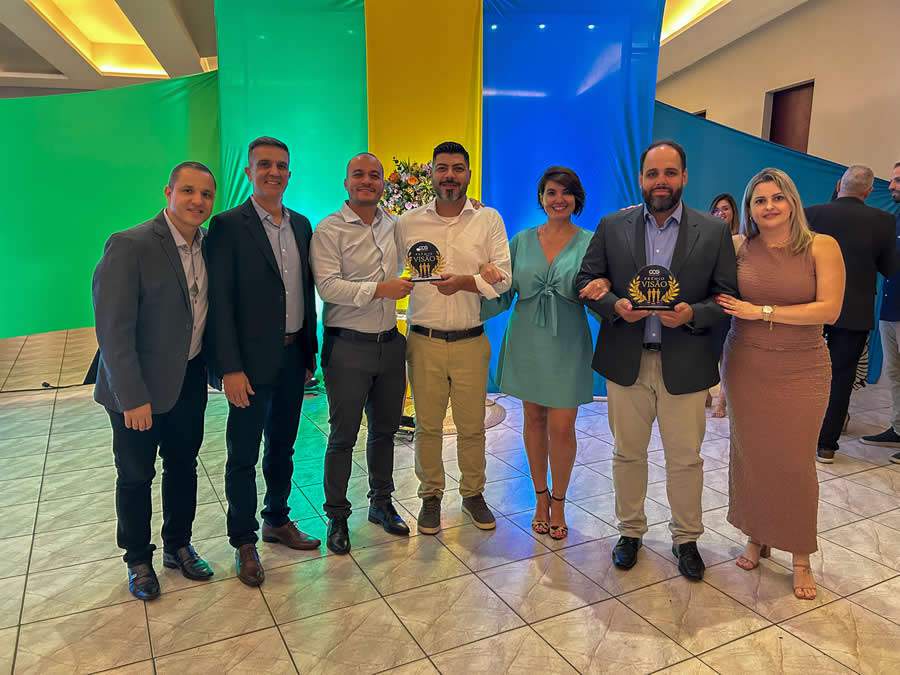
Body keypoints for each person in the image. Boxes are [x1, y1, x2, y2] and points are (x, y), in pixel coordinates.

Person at [576, 139, 737, 581]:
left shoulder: (714, 231)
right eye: (652, 174)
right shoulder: (612, 226)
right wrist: (612, 305)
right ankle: (630, 532)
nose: (660, 182)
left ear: (684, 177)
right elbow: (586, 280)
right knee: (627, 454)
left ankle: (687, 539)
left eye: (669, 173)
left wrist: (691, 314)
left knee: (685, 459)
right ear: (641, 179)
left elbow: (726, 297)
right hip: (626, 362)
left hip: (685, 362)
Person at [716, 168, 845, 600]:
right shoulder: (739, 246)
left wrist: (762, 312)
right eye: (759, 200)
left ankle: (800, 553)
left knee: (793, 462)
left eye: (777, 198)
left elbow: (829, 309)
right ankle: (756, 535)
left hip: (801, 368)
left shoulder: (821, 246)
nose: (769, 206)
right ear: (749, 207)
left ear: (792, 201)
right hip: (746, 363)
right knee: (751, 455)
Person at [92, 161, 217, 600]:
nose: (197, 201)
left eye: (206, 194)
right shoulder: (131, 245)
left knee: (183, 466)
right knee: (135, 474)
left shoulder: (209, 245)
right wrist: (132, 398)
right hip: (137, 389)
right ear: (168, 192)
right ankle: (138, 559)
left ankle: (178, 545)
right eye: (188, 191)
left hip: (189, 379)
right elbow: (113, 331)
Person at [206, 137, 320, 588]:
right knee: (243, 454)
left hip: (293, 357)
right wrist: (229, 368)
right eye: (265, 165)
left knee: (283, 447)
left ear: (289, 173)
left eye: (281, 165)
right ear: (249, 172)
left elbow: (304, 293)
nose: (274, 172)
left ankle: (276, 519)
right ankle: (243, 541)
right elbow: (219, 302)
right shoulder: (227, 226)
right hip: (248, 366)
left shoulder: (302, 225)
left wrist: (309, 353)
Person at [396, 140, 512, 535]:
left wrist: (466, 282)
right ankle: (430, 496)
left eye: (457, 168)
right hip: (423, 340)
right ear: (431, 173)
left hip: (470, 341)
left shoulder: (488, 219)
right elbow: (390, 270)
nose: (450, 175)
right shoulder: (408, 223)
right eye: (442, 168)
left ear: (468, 174)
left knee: (472, 426)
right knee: (427, 427)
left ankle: (473, 493)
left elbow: (504, 281)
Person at [482, 167, 598, 540]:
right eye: (551, 192)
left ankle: (559, 501)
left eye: (566, 192)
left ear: (577, 199)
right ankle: (540, 498)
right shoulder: (520, 241)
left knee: (562, 426)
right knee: (533, 420)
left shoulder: (591, 243)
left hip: (568, 342)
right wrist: (478, 285)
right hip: (527, 340)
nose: (558, 199)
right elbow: (502, 292)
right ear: (541, 198)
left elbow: (600, 298)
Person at [310, 152, 413, 555]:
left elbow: (430, 239)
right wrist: (379, 290)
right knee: (343, 436)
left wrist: (465, 208)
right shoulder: (329, 229)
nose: (367, 181)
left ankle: (381, 503)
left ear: (383, 182)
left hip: (390, 344)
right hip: (347, 346)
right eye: (359, 174)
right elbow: (328, 287)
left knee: (385, 431)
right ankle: (337, 516)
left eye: (374, 175)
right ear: (346, 182)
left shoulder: (395, 226)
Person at [805, 165, 895, 463]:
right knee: (841, 377)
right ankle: (826, 445)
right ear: (868, 192)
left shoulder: (811, 214)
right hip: (853, 311)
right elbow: (890, 268)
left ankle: (797, 433)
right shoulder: (884, 221)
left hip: (810, 307)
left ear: (839, 185)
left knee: (801, 371)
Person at [861, 161, 900, 463]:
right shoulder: (895, 221)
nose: (891, 185)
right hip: (890, 309)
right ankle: (898, 428)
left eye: (898, 180)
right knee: (894, 373)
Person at [708, 193, 741, 418]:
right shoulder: (706, 238)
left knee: (725, 354)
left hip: (730, 303)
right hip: (708, 302)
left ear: (733, 213)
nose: (721, 213)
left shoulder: (741, 240)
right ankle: (705, 394)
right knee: (706, 352)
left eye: (725, 209)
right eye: (716, 209)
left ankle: (721, 401)